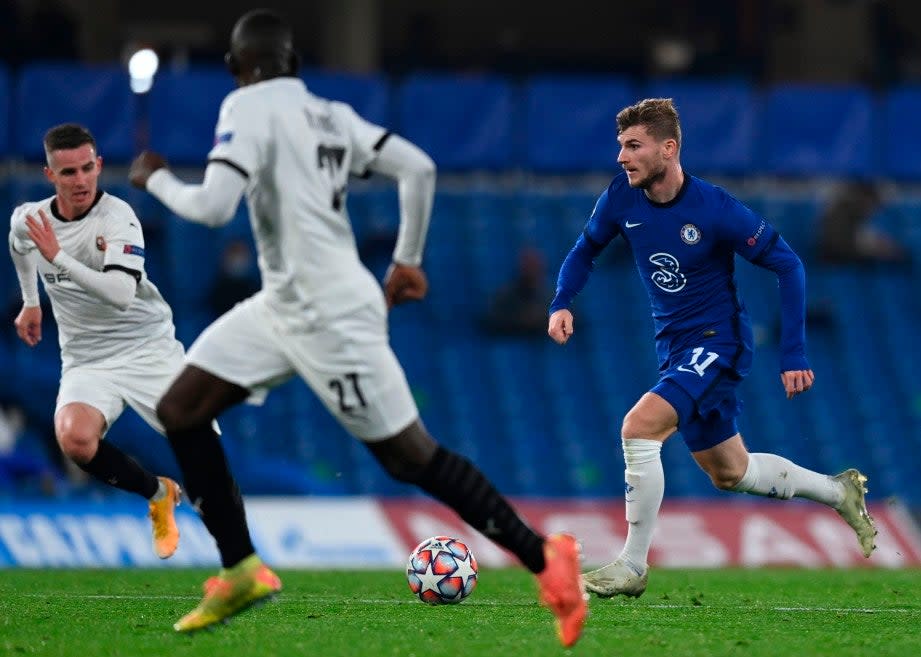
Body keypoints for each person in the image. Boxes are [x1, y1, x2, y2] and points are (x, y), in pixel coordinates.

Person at [128, 9, 586, 644]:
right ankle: (240, 568)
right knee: (181, 407)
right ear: (293, 63)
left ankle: (545, 560)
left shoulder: (248, 108)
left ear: (239, 69)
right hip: (284, 303)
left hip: (332, 317)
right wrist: (408, 259)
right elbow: (418, 168)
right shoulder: (330, 114)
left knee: (411, 458)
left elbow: (211, 207)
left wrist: (156, 180)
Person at [547, 98, 877, 598]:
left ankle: (632, 566)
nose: (622, 157)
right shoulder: (619, 198)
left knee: (639, 428)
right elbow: (584, 249)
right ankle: (838, 491)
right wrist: (562, 301)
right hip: (676, 346)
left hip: (717, 342)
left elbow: (789, 265)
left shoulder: (715, 208)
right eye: (621, 146)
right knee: (731, 472)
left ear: (669, 148)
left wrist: (793, 352)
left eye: (633, 146)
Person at [7, 123, 183, 558]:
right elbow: (18, 245)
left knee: (202, 445)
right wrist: (31, 302)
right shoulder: (30, 219)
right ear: (50, 176)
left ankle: (240, 557)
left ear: (99, 165)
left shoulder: (118, 216)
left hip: (147, 348)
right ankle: (158, 494)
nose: (80, 180)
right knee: (74, 439)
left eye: (88, 168)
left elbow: (121, 295)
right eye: (68, 173)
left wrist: (59, 258)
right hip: (87, 358)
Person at [480, 246, 552, 337]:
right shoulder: (506, 296)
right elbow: (492, 321)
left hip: (541, 343)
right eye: (529, 265)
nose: (532, 270)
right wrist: (522, 319)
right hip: (513, 341)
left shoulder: (549, 296)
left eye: (535, 265)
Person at [208, 238, 260, 318]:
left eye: (242, 256)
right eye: (235, 256)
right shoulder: (220, 290)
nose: (239, 261)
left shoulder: (253, 287)